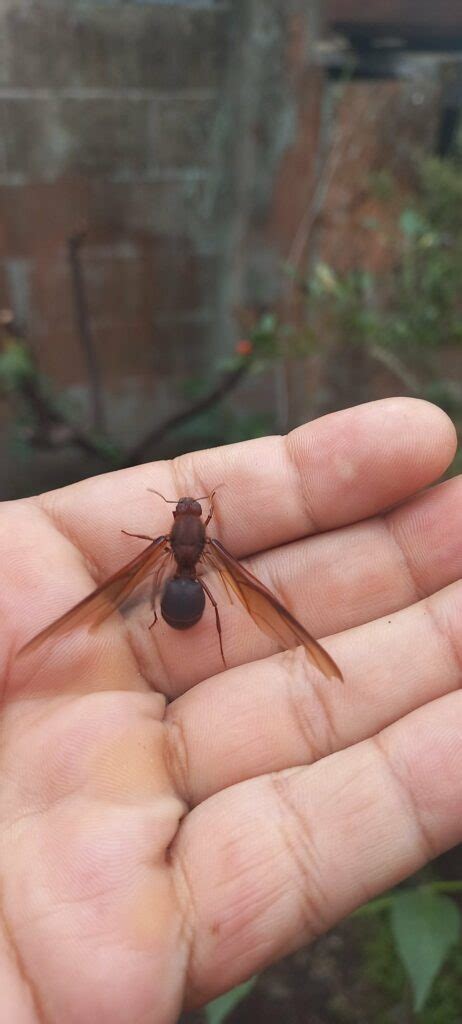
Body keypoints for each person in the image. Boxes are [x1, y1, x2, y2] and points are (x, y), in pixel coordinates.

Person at [2, 397, 461, 1023]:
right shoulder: (206, 551)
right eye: (189, 513)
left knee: (211, 604)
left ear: (182, 530)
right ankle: (217, 632)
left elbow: (145, 566)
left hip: (176, 598)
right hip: (187, 597)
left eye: (189, 514)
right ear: (196, 527)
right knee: (224, 603)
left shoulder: (165, 552)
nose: (189, 518)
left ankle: (204, 626)